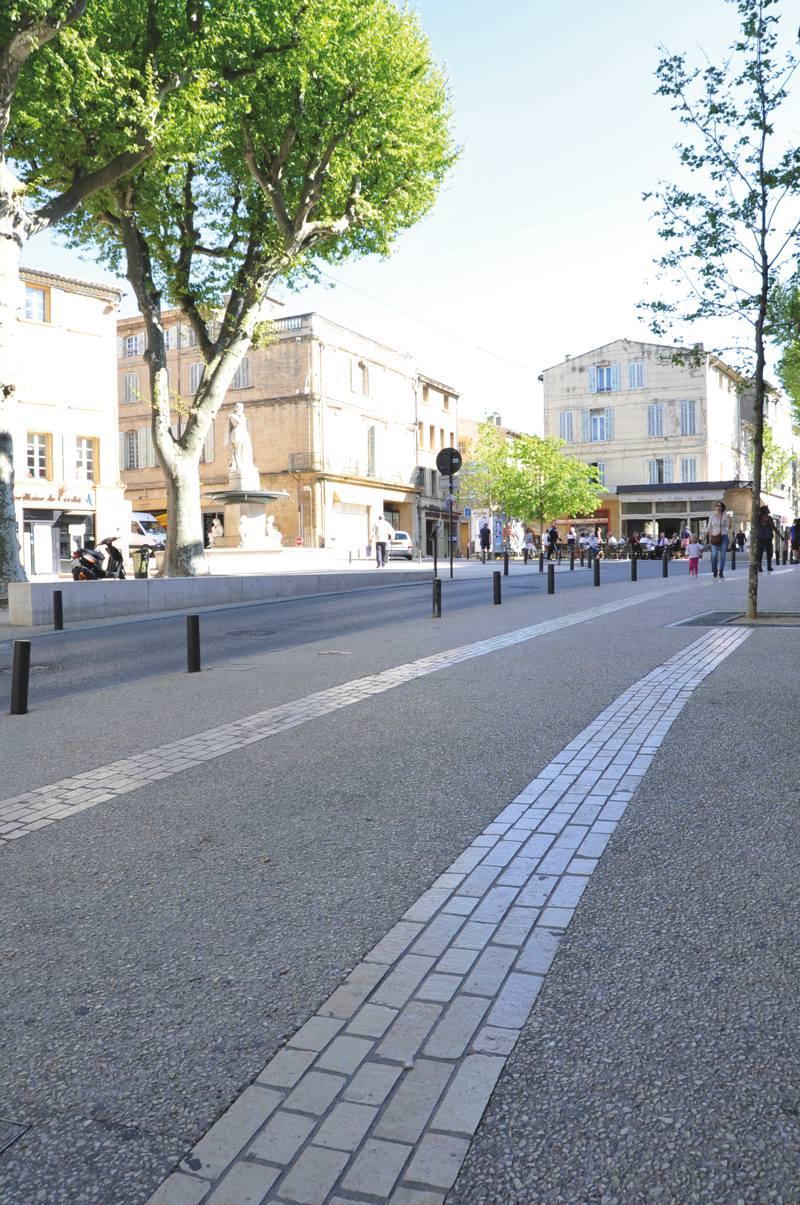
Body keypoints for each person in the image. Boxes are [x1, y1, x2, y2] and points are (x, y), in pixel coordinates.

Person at [704, 501, 734, 579]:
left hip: (724, 536)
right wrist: (705, 537)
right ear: (715, 507)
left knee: (723, 555)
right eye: (717, 506)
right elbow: (708, 527)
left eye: (720, 506)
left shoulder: (725, 516)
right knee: (714, 555)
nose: (718, 507)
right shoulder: (712, 516)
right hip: (714, 537)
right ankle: (714, 570)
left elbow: (729, 527)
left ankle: (721, 571)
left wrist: (730, 519)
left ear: (722, 507)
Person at [756, 504, 776, 572]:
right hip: (763, 537)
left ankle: (766, 567)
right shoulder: (760, 518)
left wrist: (780, 535)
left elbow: (773, 527)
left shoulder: (767, 518)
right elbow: (773, 527)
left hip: (765, 537)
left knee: (765, 553)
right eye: (767, 509)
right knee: (763, 553)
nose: (768, 511)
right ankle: (763, 567)